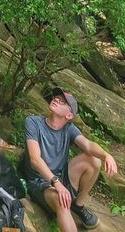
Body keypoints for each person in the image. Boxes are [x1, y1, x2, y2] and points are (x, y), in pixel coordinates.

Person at [22, 89, 117, 230]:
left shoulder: (69, 129)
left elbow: (88, 145)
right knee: (62, 202)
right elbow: (35, 159)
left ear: (69, 115)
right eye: (56, 98)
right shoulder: (33, 122)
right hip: (40, 182)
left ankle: (78, 206)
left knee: (94, 160)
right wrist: (57, 184)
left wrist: (106, 155)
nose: (56, 100)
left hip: (61, 178)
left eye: (62, 102)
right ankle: (65, 206)